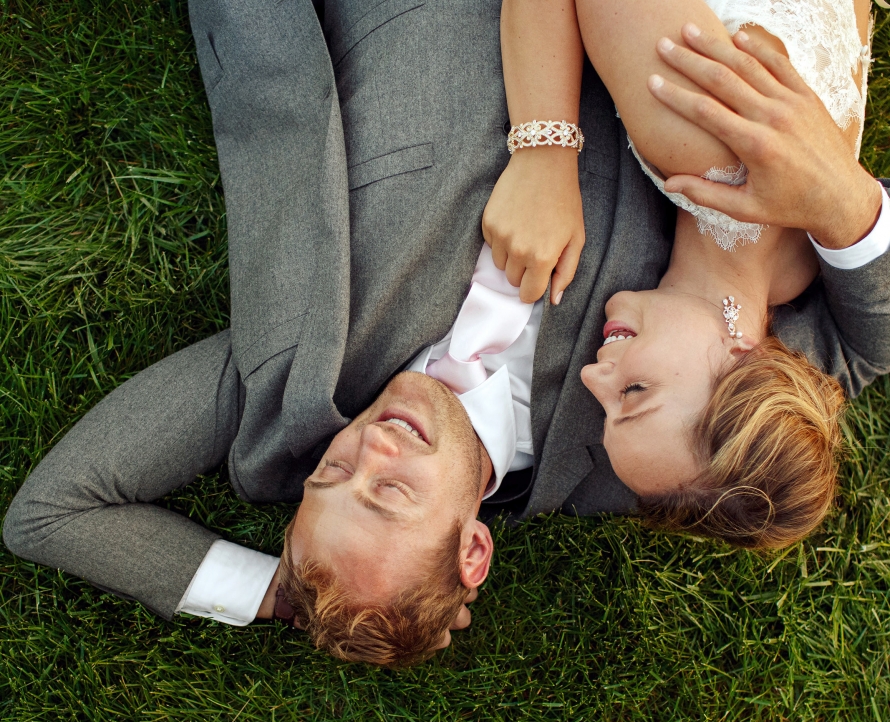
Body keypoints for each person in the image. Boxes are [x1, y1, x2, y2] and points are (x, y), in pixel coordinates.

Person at [4, 0, 888, 666]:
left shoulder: (291, 382)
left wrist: (295, 589)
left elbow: (48, 514)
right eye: (390, 494)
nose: (370, 449)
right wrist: (844, 202)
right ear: (473, 548)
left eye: (332, 475)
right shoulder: (658, 443)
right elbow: (861, 354)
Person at [484, 0, 890, 547]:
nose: (593, 379)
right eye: (634, 391)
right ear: (740, 353)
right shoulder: (696, 141)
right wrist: (544, 153)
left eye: (606, 409)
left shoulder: (801, 267)